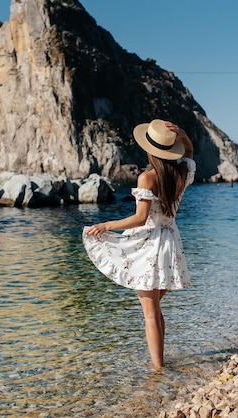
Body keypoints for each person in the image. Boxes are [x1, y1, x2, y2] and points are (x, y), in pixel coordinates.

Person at [82, 119, 195, 369]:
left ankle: (157, 369)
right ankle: (161, 362)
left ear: (150, 150)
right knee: (154, 307)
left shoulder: (147, 178)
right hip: (170, 242)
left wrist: (106, 225)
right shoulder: (182, 172)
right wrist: (183, 134)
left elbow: (140, 218)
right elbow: (189, 153)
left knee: (150, 312)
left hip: (149, 245)